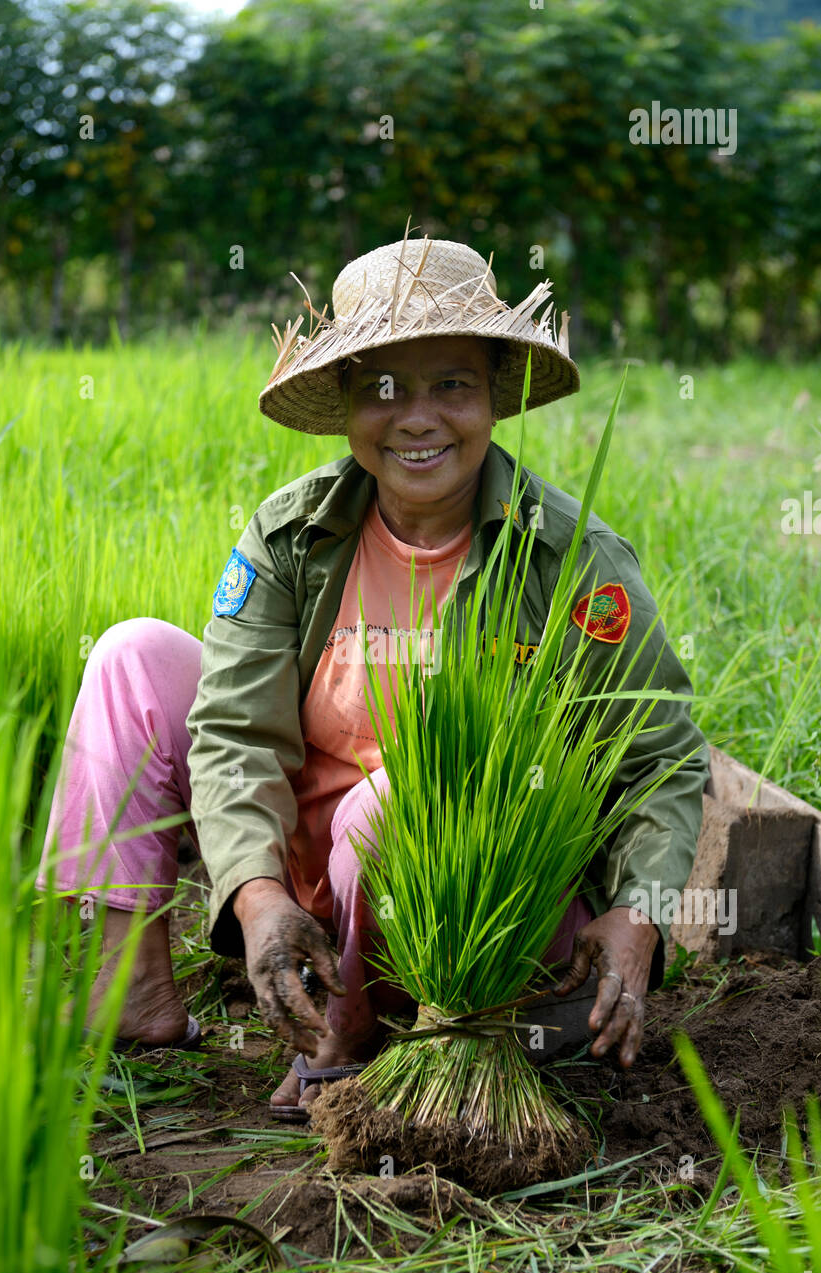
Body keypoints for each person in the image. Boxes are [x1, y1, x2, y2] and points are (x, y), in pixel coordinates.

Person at [35, 231, 709, 1119]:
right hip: (311, 894)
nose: (417, 417)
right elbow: (234, 730)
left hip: (475, 927)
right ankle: (133, 993)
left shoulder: (569, 558)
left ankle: (345, 1041)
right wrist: (257, 895)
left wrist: (638, 913)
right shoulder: (293, 535)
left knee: (392, 795)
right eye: (384, 387)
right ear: (349, 404)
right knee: (132, 655)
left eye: (452, 385)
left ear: (494, 399)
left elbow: (659, 757)